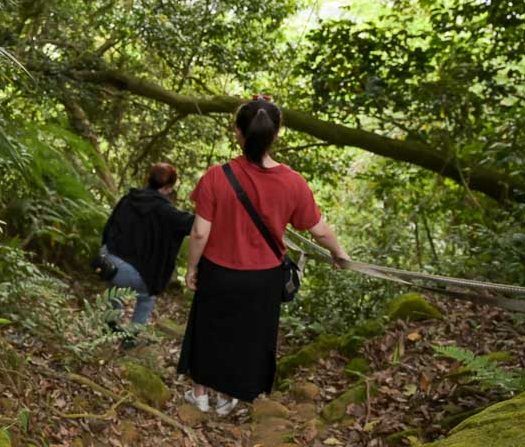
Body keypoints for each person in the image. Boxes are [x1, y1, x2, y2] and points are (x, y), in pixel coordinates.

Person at [178, 97, 349, 414]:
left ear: (237, 134)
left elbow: (200, 231)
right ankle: (228, 397)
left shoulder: (217, 176)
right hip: (263, 279)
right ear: (276, 135)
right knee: (246, 337)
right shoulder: (293, 183)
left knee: (208, 329)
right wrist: (338, 253)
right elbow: (319, 230)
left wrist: (192, 267)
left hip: (219, 271)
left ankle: (200, 395)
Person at [100, 162, 195, 330]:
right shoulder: (167, 212)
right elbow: (196, 224)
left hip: (108, 263)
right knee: (147, 295)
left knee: (116, 283)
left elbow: (108, 229)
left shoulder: (128, 199)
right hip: (133, 274)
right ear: (169, 187)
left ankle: (110, 324)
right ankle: (131, 338)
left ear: (148, 179)